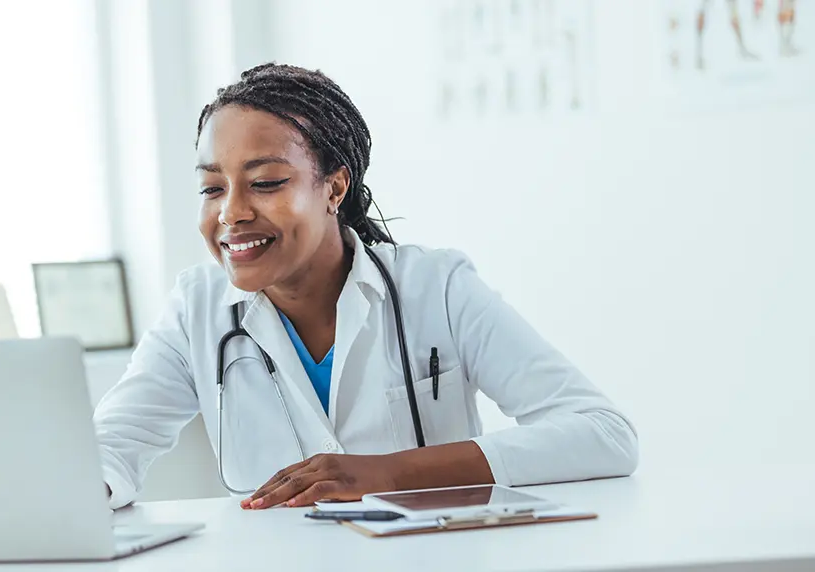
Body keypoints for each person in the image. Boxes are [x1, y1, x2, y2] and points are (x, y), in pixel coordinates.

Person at [93, 63, 638, 511]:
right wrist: (82, 490)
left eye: (265, 183)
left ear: (333, 187)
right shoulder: (197, 309)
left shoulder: (437, 287)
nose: (231, 213)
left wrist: (391, 473)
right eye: (212, 188)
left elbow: (601, 433)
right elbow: (107, 448)